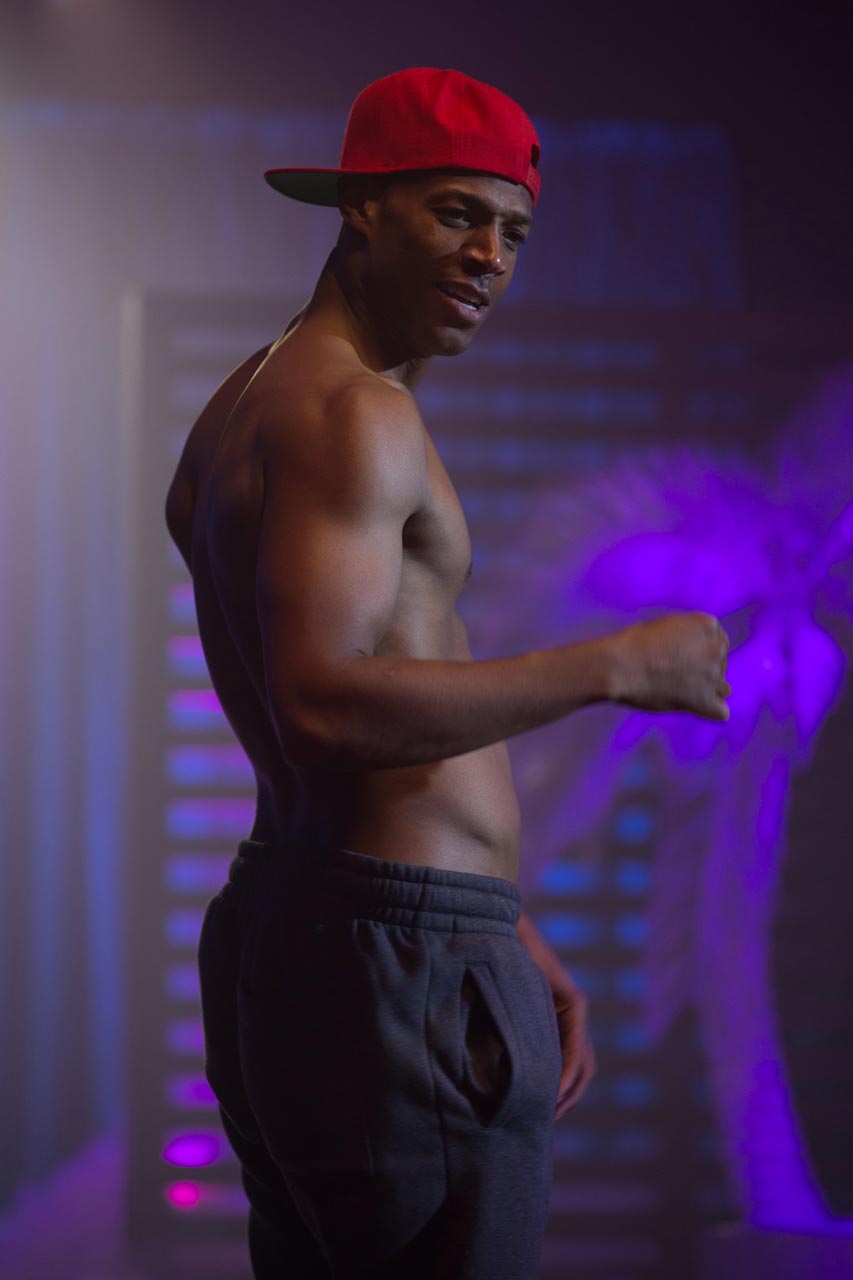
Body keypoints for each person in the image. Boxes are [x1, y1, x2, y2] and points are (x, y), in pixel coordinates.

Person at [164, 67, 731, 1280]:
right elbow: (322, 702)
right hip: (395, 955)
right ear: (362, 207)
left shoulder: (244, 404)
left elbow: (343, 737)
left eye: (513, 232)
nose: (489, 257)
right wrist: (616, 663)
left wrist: (498, 918)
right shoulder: (353, 413)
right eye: (456, 213)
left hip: (333, 925)